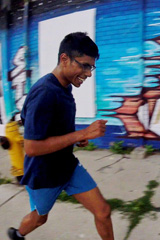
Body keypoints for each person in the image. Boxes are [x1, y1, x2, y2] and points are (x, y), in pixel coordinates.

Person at [8, 32, 114, 240]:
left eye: (90, 67)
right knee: (39, 218)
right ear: (64, 59)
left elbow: (43, 124)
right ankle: (18, 235)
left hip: (68, 167)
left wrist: (76, 137)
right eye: (84, 65)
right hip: (44, 176)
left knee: (103, 211)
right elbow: (31, 148)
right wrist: (81, 133)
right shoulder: (45, 92)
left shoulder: (64, 87)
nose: (88, 73)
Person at [0, 116, 25, 183]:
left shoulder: (7, 130)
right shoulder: (12, 130)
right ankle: (22, 177)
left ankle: (20, 177)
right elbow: (21, 139)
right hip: (20, 164)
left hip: (16, 163)